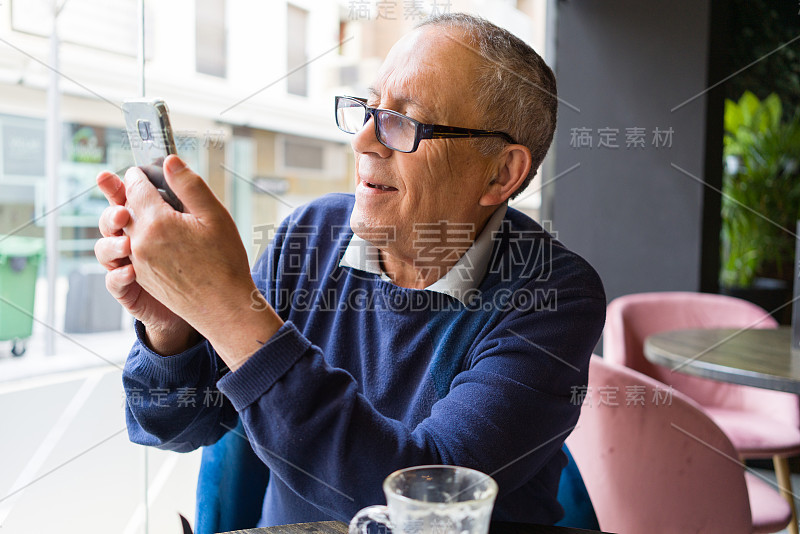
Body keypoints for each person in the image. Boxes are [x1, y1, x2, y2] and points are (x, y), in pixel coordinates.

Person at [94, 12, 605, 530]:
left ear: (501, 172)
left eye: (403, 121)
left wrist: (225, 306)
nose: (363, 140)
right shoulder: (311, 233)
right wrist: (170, 326)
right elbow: (176, 425)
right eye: (367, 108)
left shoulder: (556, 295)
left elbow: (419, 508)